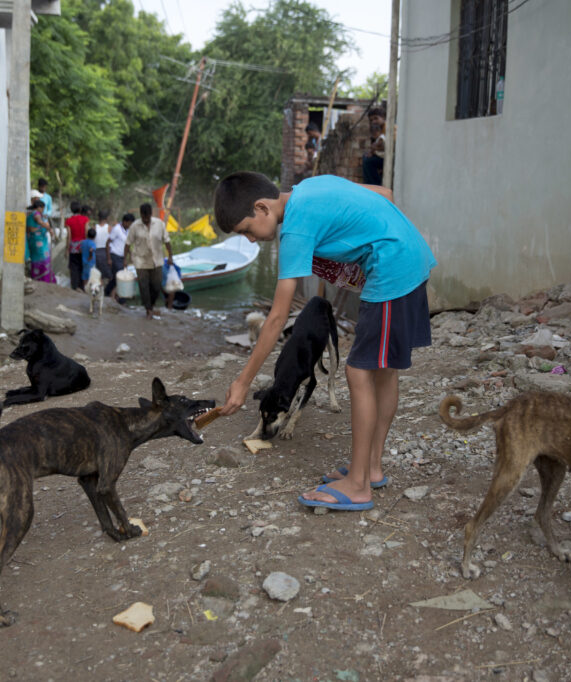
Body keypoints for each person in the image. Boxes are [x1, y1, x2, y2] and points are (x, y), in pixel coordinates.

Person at [213, 171, 436, 511]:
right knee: (383, 369)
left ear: (261, 207)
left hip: (392, 268)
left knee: (359, 372)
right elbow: (385, 193)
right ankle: (371, 468)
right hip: (409, 257)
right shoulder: (308, 189)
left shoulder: (295, 229)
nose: (251, 240)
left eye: (246, 230)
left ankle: (359, 485)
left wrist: (242, 383)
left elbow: (276, 319)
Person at [124, 203, 173, 320]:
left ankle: (151, 305)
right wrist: (124, 259)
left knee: (156, 285)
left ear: (151, 214)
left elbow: (167, 240)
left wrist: (170, 256)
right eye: (143, 217)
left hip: (157, 260)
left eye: (147, 217)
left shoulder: (159, 224)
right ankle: (148, 310)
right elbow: (128, 243)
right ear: (141, 215)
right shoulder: (135, 226)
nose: (146, 220)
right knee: (143, 286)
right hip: (140, 261)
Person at [26, 197, 56, 283]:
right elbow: (40, 222)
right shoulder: (36, 213)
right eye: (43, 208)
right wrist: (49, 228)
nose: (43, 210)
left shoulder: (30, 213)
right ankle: (44, 279)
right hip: (37, 241)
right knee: (43, 257)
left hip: (34, 240)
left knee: (37, 258)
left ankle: (38, 277)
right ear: (39, 207)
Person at [105, 212, 133, 302]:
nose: (130, 225)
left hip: (121, 257)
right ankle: (113, 297)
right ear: (125, 222)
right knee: (119, 277)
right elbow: (108, 242)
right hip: (114, 255)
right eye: (130, 223)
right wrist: (109, 258)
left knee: (117, 277)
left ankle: (107, 292)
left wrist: (130, 255)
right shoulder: (117, 229)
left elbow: (127, 245)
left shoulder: (128, 231)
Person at [65, 201, 89, 291]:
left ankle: (74, 287)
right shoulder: (85, 219)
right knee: (82, 266)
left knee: (74, 267)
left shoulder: (68, 221)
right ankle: (82, 287)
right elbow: (86, 232)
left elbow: (69, 236)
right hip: (82, 245)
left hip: (73, 247)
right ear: (80, 209)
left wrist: (67, 249)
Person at [361, 107, 386, 186]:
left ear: (383, 118)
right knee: (366, 157)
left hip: (389, 157)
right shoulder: (378, 129)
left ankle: (375, 184)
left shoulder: (390, 129)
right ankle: (369, 183)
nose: (374, 121)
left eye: (376, 118)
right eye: (371, 120)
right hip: (382, 155)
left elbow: (387, 147)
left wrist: (374, 150)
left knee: (368, 161)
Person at [94, 210, 112, 284]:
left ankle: (101, 290)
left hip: (96, 252)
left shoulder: (94, 227)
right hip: (106, 252)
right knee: (110, 274)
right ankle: (108, 291)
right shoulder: (109, 228)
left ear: (98, 218)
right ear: (107, 218)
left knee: (98, 274)